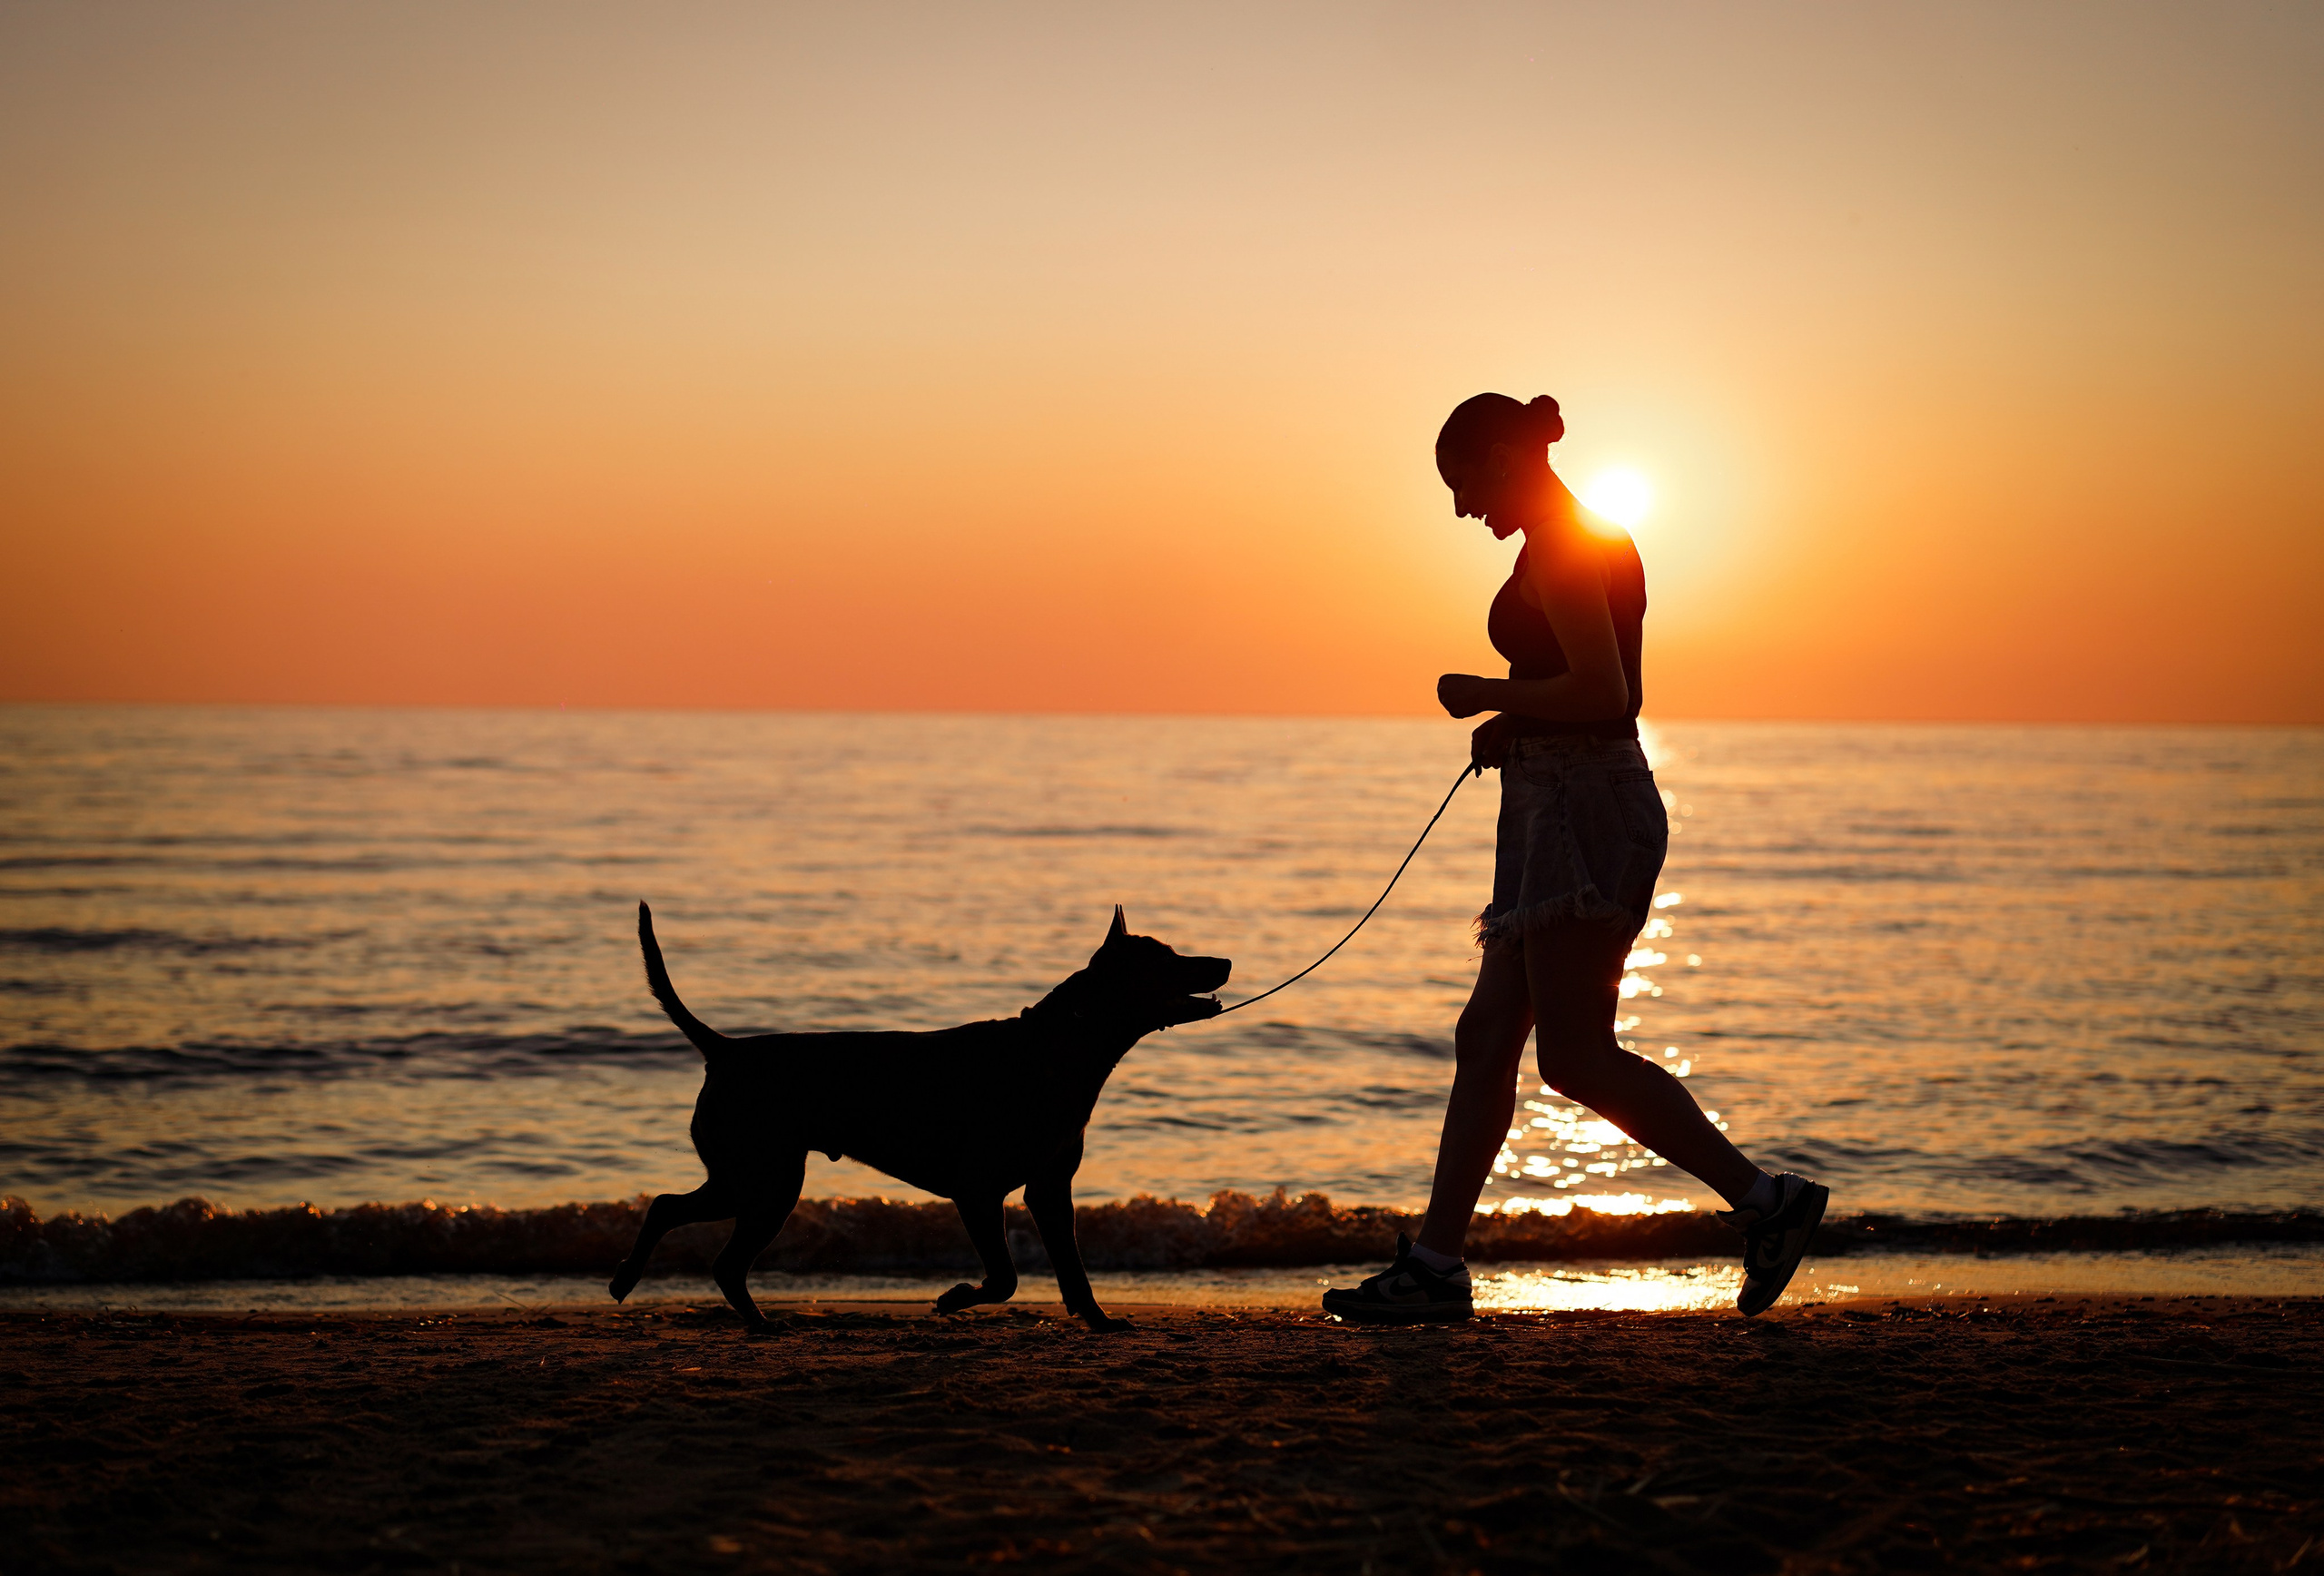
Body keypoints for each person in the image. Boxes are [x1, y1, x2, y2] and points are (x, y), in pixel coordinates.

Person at [1322, 392, 1827, 1323]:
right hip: (1555, 798)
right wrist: (1513, 719)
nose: (1461, 507)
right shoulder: (1561, 538)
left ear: (1504, 457)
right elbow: (1584, 684)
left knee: (1575, 1057)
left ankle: (1768, 1202)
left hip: (1584, 808)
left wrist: (1485, 693)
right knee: (1486, 1037)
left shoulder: (1563, 542)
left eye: (1462, 480)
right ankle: (1435, 1265)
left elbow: (1608, 689)